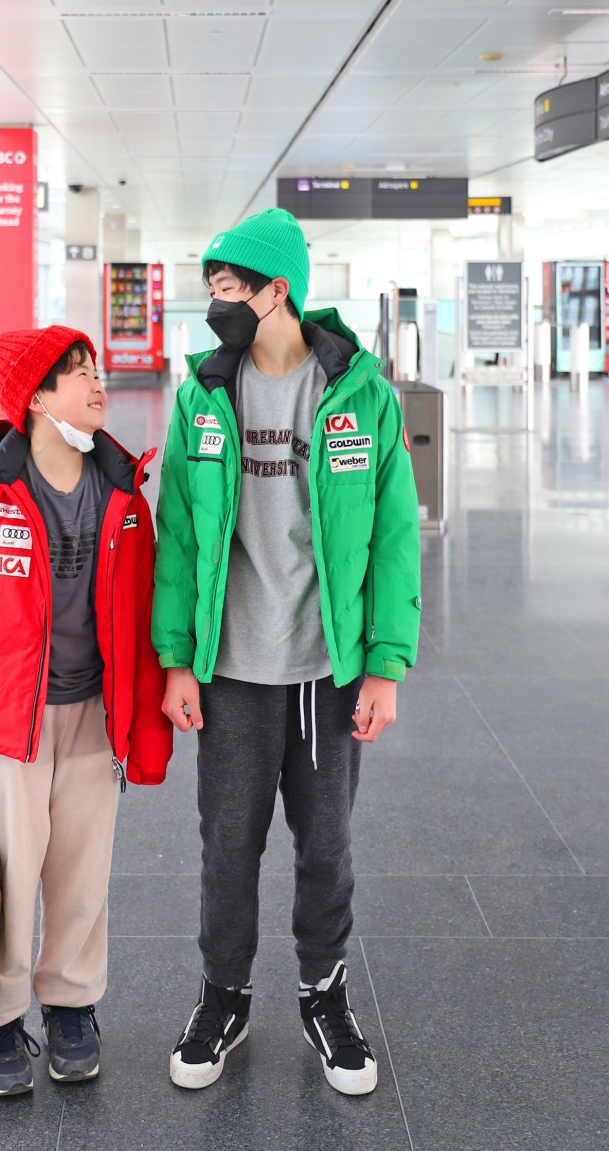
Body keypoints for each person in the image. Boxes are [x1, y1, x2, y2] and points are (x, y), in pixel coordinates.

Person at [152, 208, 420, 1096]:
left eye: (232, 287)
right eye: (213, 287)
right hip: (231, 671)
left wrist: (384, 662)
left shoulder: (360, 394)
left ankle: (323, 993)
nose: (217, 302)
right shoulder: (201, 395)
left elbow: (392, 539)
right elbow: (182, 538)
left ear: (281, 291)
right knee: (227, 846)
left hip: (326, 672)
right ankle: (223, 995)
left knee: (326, 846)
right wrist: (179, 658)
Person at [0, 325, 172, 1097]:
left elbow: (144, 621)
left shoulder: (126, 498)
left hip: (94, 720)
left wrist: (148, 730)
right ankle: (1, 1018)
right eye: (77, 373)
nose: (97, 383)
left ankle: (69, 1007)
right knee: (9, 874)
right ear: (35, 399)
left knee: (81, 876)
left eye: (95, 369)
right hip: (6, 731)